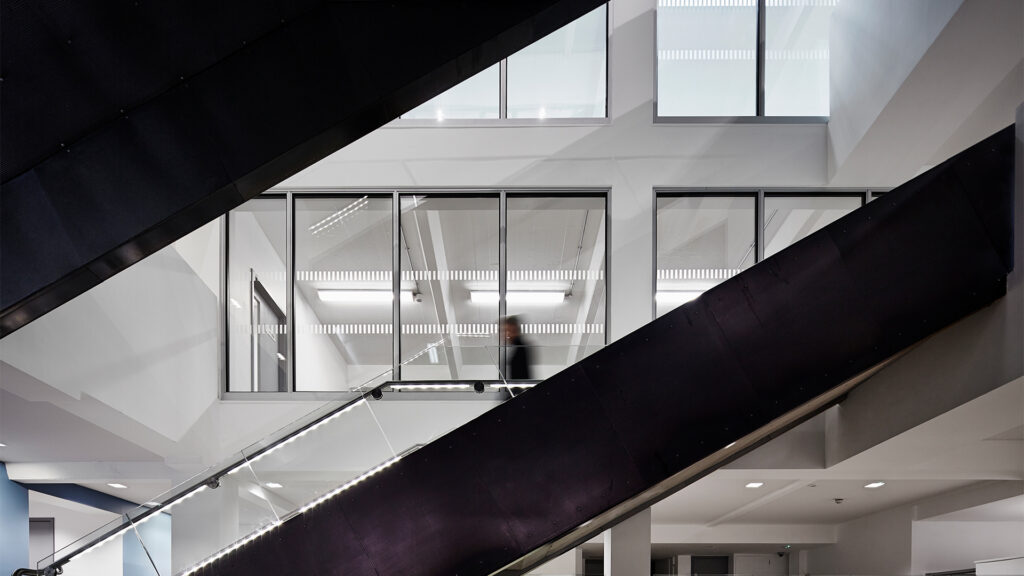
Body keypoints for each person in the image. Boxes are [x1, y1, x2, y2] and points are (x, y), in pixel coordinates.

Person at [501, 315, 533, 381]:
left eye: (509, 331)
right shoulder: (514, 346)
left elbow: (522, 374)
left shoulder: (520, 347)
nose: (507, 334)